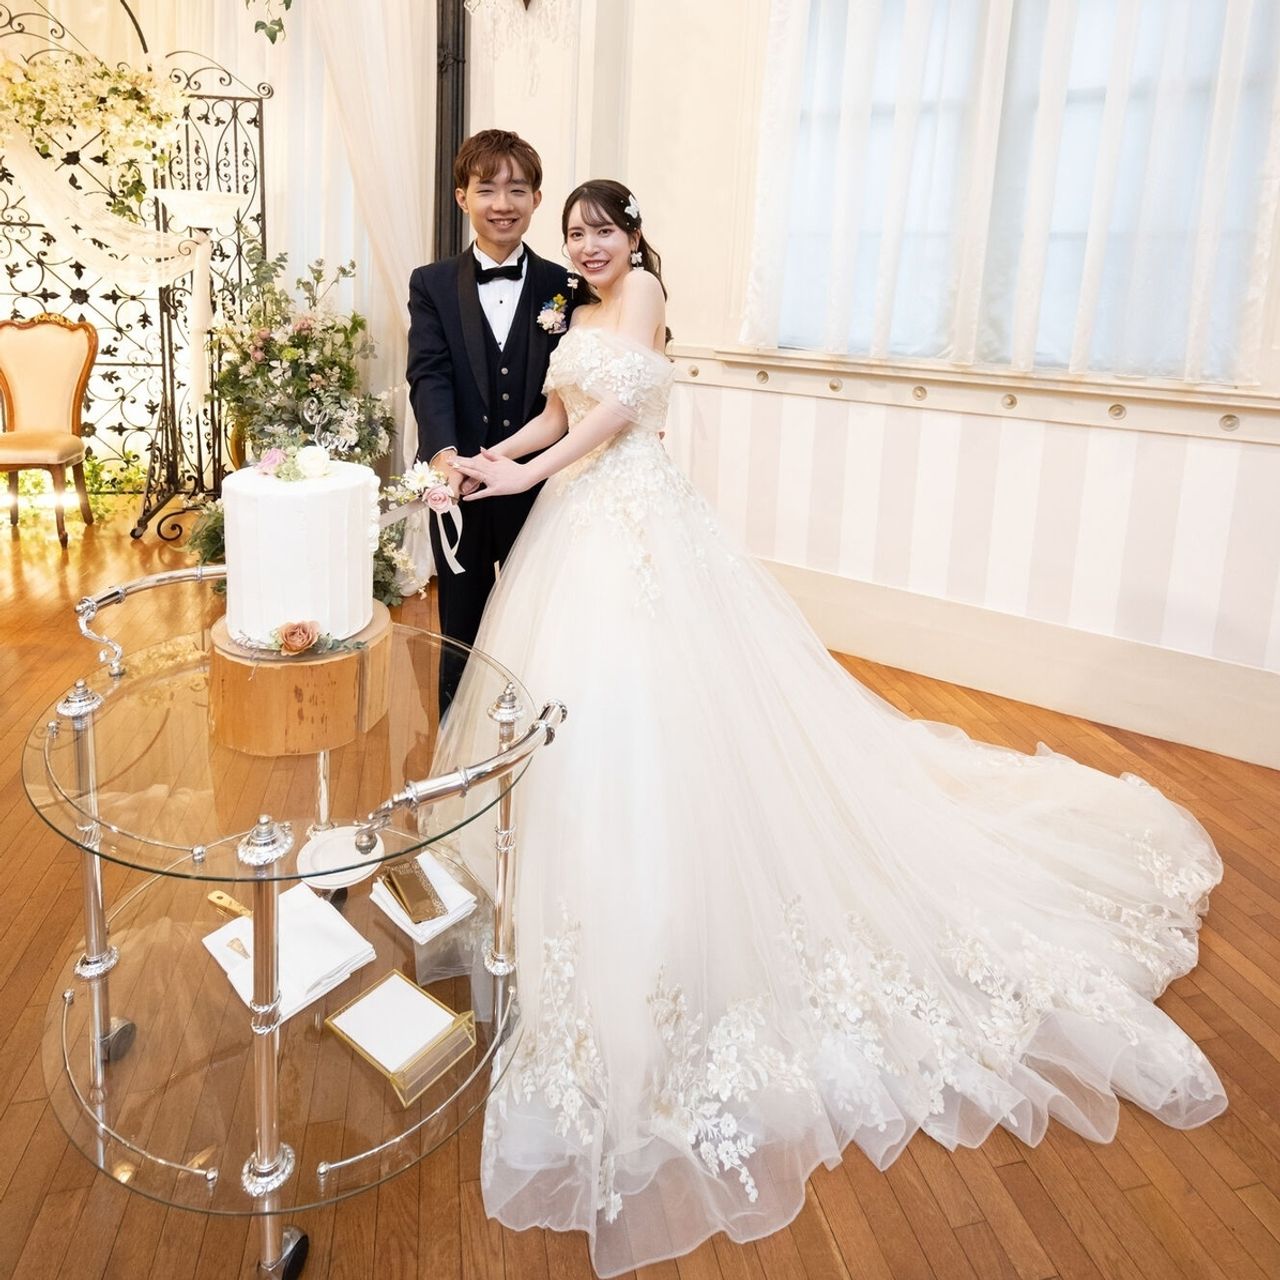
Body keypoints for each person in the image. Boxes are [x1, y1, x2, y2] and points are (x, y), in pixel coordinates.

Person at [443, 180, 1226, 1277]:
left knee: (659, 700)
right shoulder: (573, 310)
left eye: (601, 229)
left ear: (633, 234)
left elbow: (615, 417)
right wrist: (499, 459)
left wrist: (530, 470)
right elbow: (562, 413)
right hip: (576, 523)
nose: (588, 244)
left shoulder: (644, 294)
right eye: (575, 232)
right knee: (565, 700)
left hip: (637, 520)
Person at [406, 129, 572, 709]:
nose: (503, 204)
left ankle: (532, 727)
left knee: (539, 619)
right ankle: (456, 733)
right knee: (461, 623)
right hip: (461, 484)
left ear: (537, 199)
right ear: (462, 198)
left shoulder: (565, 286)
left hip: (540, 484)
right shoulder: (430, 283)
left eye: (518, 190)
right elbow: (429, 374)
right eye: (487, 190)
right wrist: (446, 457)